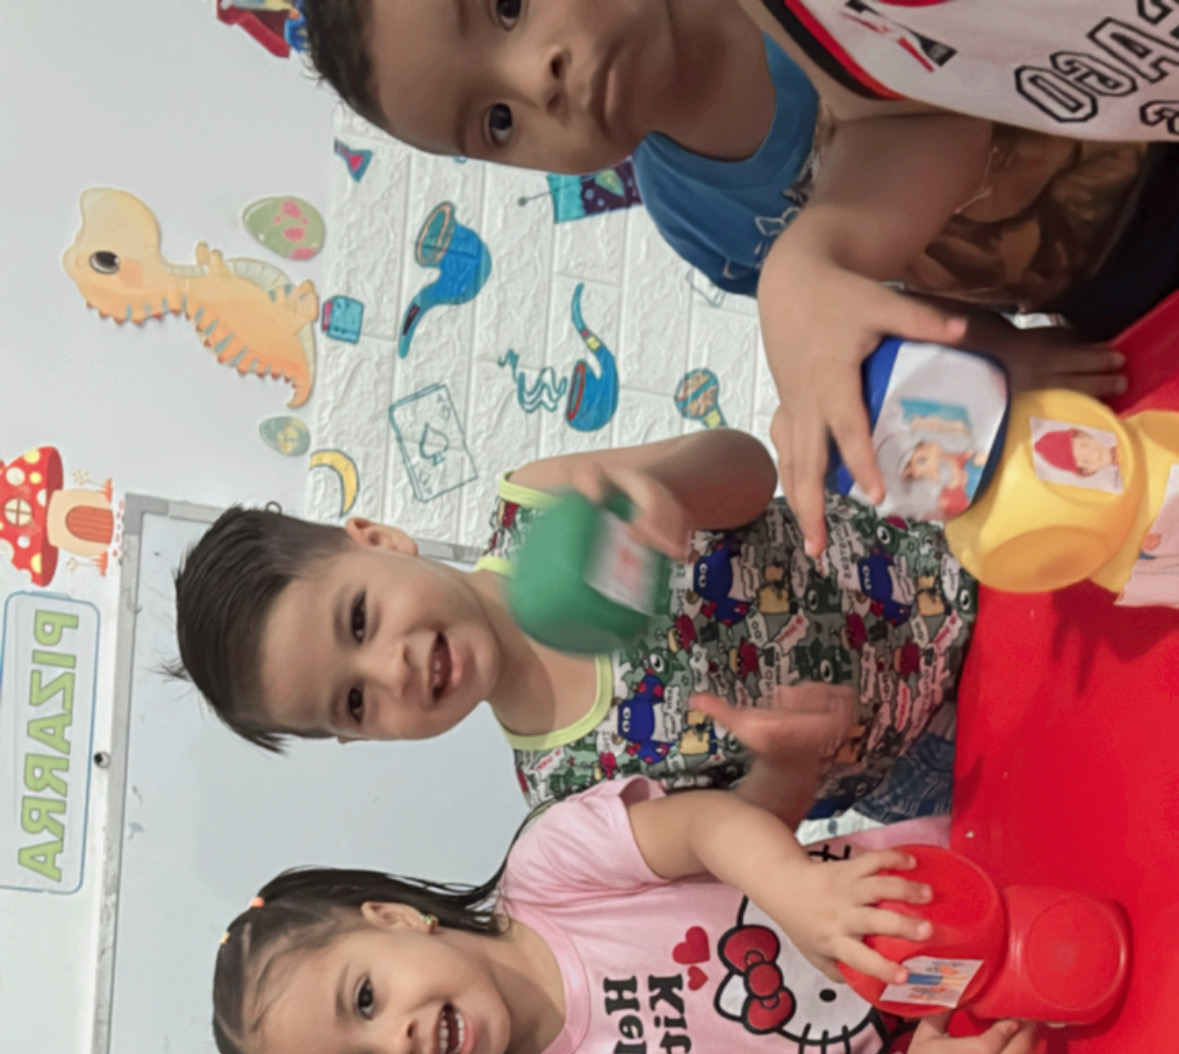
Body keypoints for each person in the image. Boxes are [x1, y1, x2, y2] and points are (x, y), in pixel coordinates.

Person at [293, 0, 1135, 560]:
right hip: (1096, 296)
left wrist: (807, 263)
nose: (533, 81)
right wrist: (994, 357)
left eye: (508, 5)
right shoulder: (691, 215)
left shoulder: (797, 20)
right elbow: (886, 309)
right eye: (497, 122)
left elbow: (932, 111)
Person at [209, 780, 1050, 1054]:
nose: (394, 1042)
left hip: (942, 895)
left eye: (364, 998)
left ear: (393, 918)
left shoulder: (549, 867)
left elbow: (703, 825)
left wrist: (794, 891)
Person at [174, 428, 975, 826]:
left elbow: (749, 469)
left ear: (380, 539)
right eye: (354, 703)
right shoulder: (566, 796)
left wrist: (664, 487)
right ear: (359, 740)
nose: (391, 670)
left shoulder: (544, 504)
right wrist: (785, 766)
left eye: (359, 620)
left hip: (942, 568)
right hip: (914, 764)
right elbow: (740, 835)